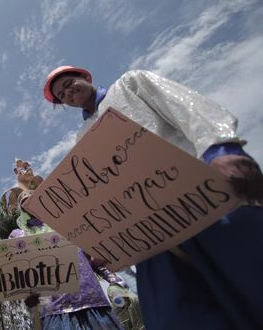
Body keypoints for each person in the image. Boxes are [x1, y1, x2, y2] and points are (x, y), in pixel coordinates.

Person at [43, 65, 263, 329]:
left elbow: (184, 106)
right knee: (178, 318)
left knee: (251, 284)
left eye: (69, 83)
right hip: (151, 241)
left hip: (206, 205)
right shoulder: (82, 139)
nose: (67, 92)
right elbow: (103, 193)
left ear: (85, 77)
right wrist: (105, 241)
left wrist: (221, 148)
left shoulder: (131, 84)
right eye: (61, 94)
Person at [7, 160, 128, 330]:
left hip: (91, 300)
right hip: (54, 310)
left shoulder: (69, 225)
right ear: (20, 208)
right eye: (24, 201)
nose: (29, 201)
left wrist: (116, 283)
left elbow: (94, 256)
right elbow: (14, 270)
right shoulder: (19, 236)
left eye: (33, 198)